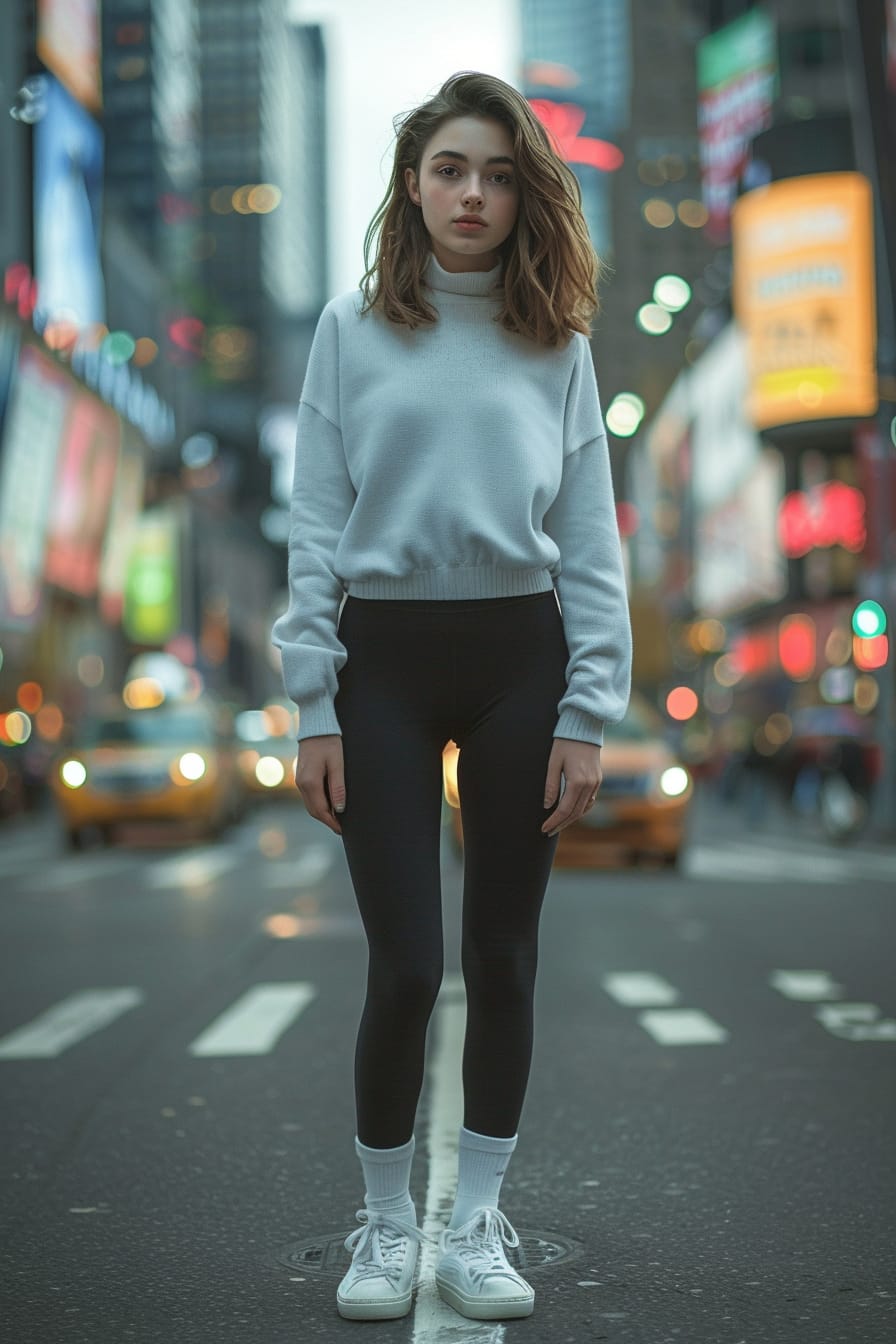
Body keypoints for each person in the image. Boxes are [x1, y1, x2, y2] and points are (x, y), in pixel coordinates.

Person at [272, 70, 632, 1324]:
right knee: (406, 966)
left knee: (506, 955)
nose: (470, 194)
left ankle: (474, 1221)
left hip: (518, 658)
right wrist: (311, 701)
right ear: (411, 184)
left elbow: (588, 541)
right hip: (382, 658)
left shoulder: (558, 343)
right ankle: (383, 1227)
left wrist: (588, 710)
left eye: (491, 172)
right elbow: (314, 522)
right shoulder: (349, 329)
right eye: (447, 170)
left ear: (519, 190)